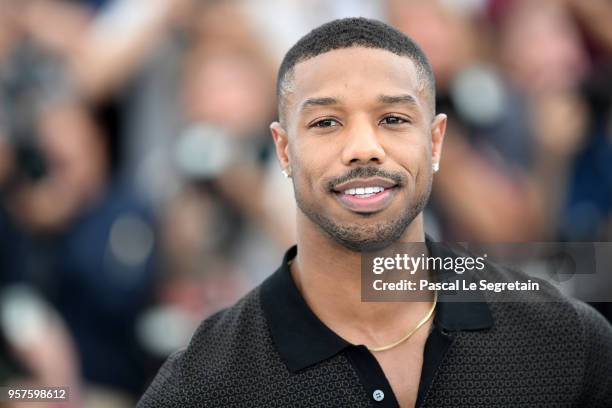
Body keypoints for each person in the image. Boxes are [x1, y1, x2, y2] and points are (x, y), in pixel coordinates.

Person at [138, 17, 612, 407]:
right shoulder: (202, 385)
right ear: (284, 150)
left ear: (434, 141)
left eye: (393, 119)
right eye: (326, 122)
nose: (363, 149)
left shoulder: (566, 339)